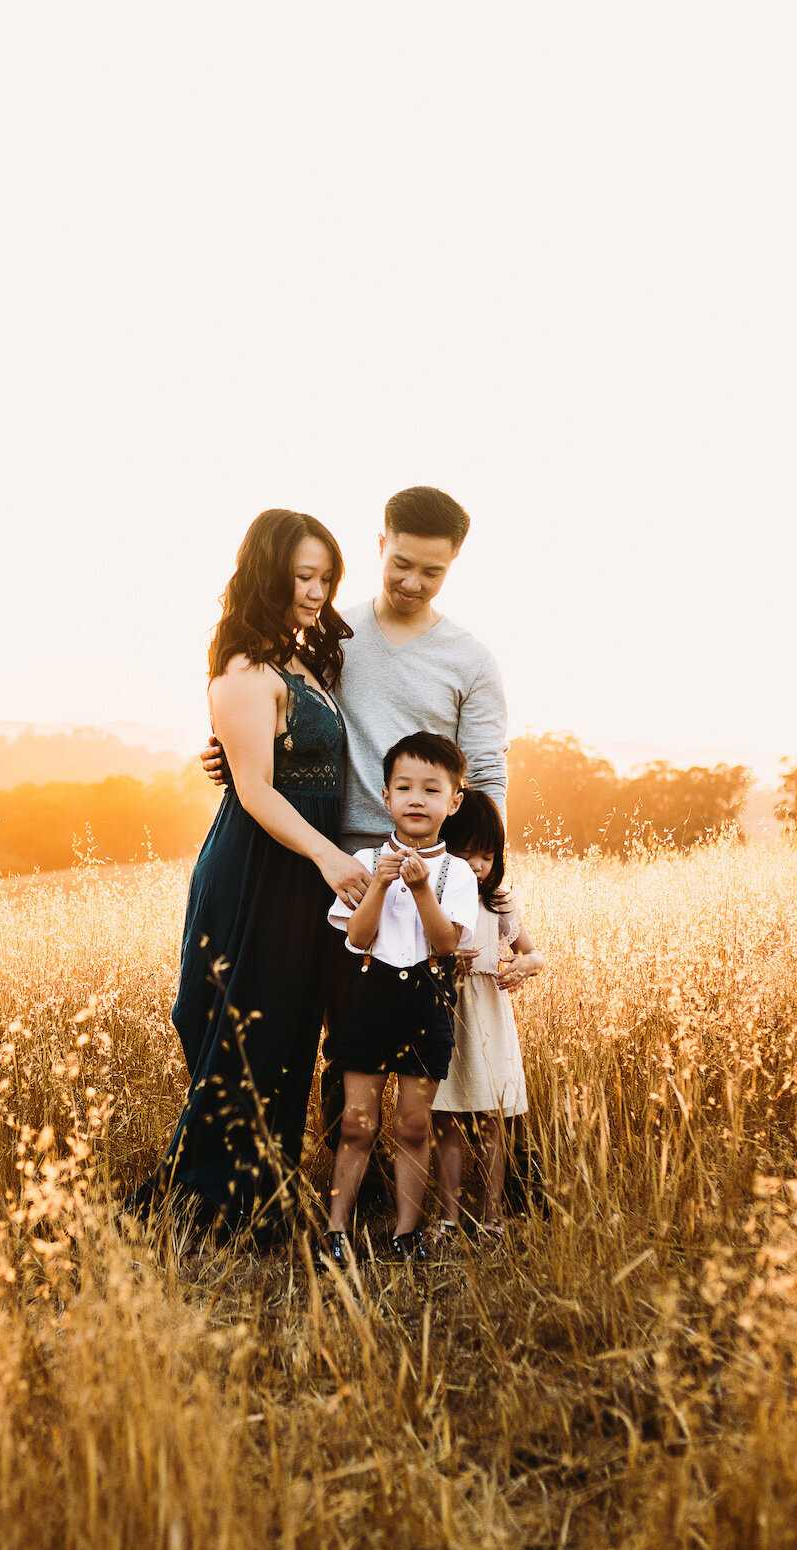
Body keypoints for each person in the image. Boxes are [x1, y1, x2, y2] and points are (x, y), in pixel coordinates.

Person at [202, 487, 509, 1193]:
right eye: (401, 563)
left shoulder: (470, 660)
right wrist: (227, 756)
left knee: (429, 1042)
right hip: (334, 866)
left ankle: (429, 1195)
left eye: (432, 572)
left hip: (429, 871)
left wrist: (485, 883)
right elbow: (281, 713)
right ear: (379, 545)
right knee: (342, 1035)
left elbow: (487, 775)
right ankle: (348, 1188)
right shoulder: (332, 634)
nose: (412, 582)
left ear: (452, 566)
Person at [127, 509, 370, 1244]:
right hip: (260, 866)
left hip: (298, 869)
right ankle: (210, 1203)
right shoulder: (242, 669)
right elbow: (257, 790)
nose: (316, 592)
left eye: (326, 579)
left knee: (289, 1030)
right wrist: (328, 855)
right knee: (246, 1031)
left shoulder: (301, 659)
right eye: (303, 577)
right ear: (268, 574)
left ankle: (266, 1192)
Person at [320, 732, 480, 1264]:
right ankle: (336, 1230)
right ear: (386, 796)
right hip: (370, 996)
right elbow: (357, 937)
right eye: (405, 788)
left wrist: (421, 889)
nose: (417, 800)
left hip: (428, 1000)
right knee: (356, 1122)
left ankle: (406, 1231)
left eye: (432, 790)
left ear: (453, 802)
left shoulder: (458, 873)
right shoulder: (366, 859)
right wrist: (381, 885)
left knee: (412, 1124)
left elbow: (446, 944)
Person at [431, 791, 543, 1242]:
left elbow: (534, 954)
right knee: (445, 1120)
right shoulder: (434, 897)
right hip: (444, 1015)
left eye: (487, 856)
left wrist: (524, 965)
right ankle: (447, 1218)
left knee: (492, 1120)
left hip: (490, 1019)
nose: (476, 866)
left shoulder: (499, 902)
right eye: (465, 854)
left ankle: (491, 1217)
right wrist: (442, 961)